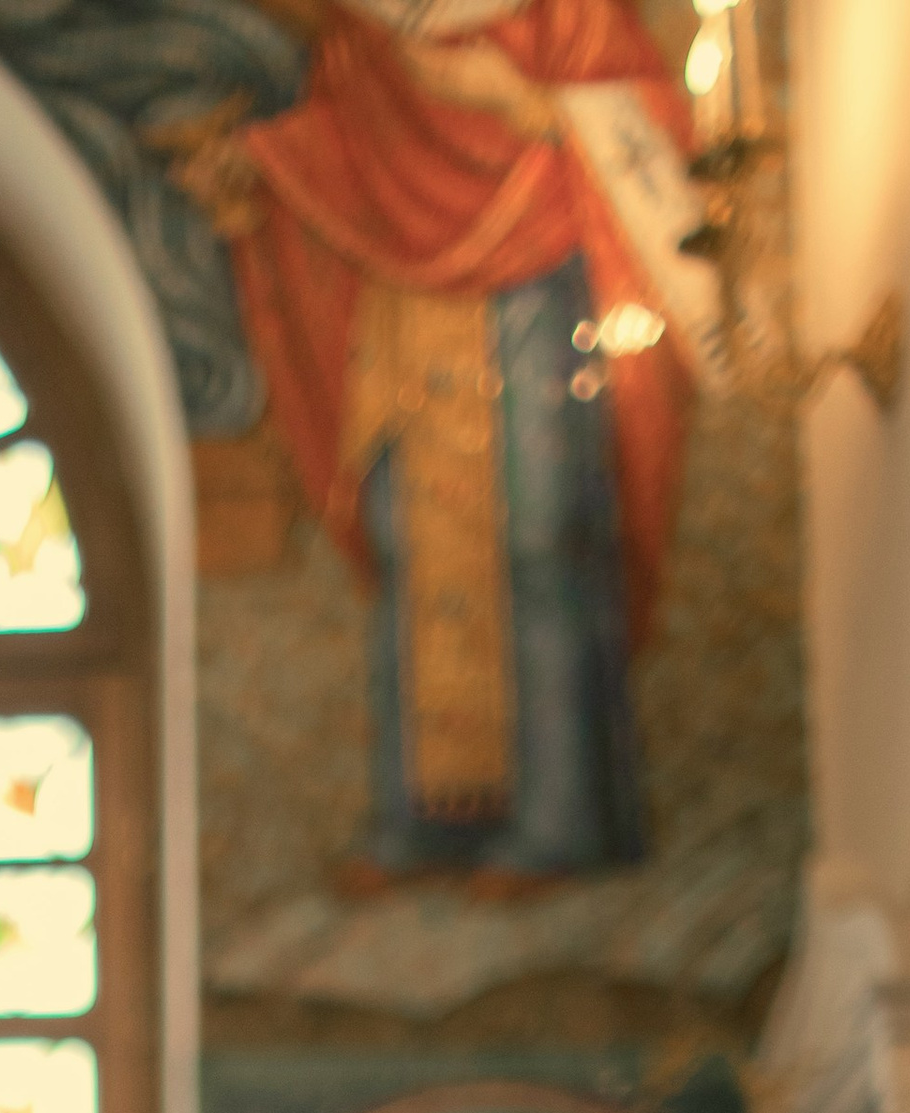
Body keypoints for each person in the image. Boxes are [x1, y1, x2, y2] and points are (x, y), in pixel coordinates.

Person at [156, 0, 711, 884]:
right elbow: (346, 146)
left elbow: (652, 124)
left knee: (541, 534)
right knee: (408, 539)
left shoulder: (564, 12)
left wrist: (519, 98)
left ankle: (564, 817)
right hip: (407, 303)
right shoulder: (370, 25)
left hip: (539, 287)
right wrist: (248, 170)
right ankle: (428, 815)